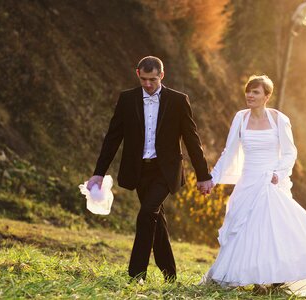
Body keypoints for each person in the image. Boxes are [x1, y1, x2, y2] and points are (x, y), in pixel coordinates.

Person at [200, 75, 306, 298]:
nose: (250, 96)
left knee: (275, 232)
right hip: (248, 182)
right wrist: (212, 177)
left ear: (267, 96)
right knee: (245, 232)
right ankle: (256, 279)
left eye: (256, 92)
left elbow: (291, 152)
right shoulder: (240, 118)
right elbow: (229, 150)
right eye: (248, 91)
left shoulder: (279, 119)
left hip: (271, 182)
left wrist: (278, 174)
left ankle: (276, 279)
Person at [87, 56, 214, 282]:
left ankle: (136, 274)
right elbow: (113, 138)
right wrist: (99, 172)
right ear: (138, 73)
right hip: (139, 170)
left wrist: (204, 176)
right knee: (155, 218)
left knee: (146, 213)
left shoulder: (178, 100)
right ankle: (170, 275)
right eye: (144, 79)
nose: (147, 84)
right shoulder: (127, 99)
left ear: (162, 76)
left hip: (165, 171)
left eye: (152, 79)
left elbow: (192, 140)